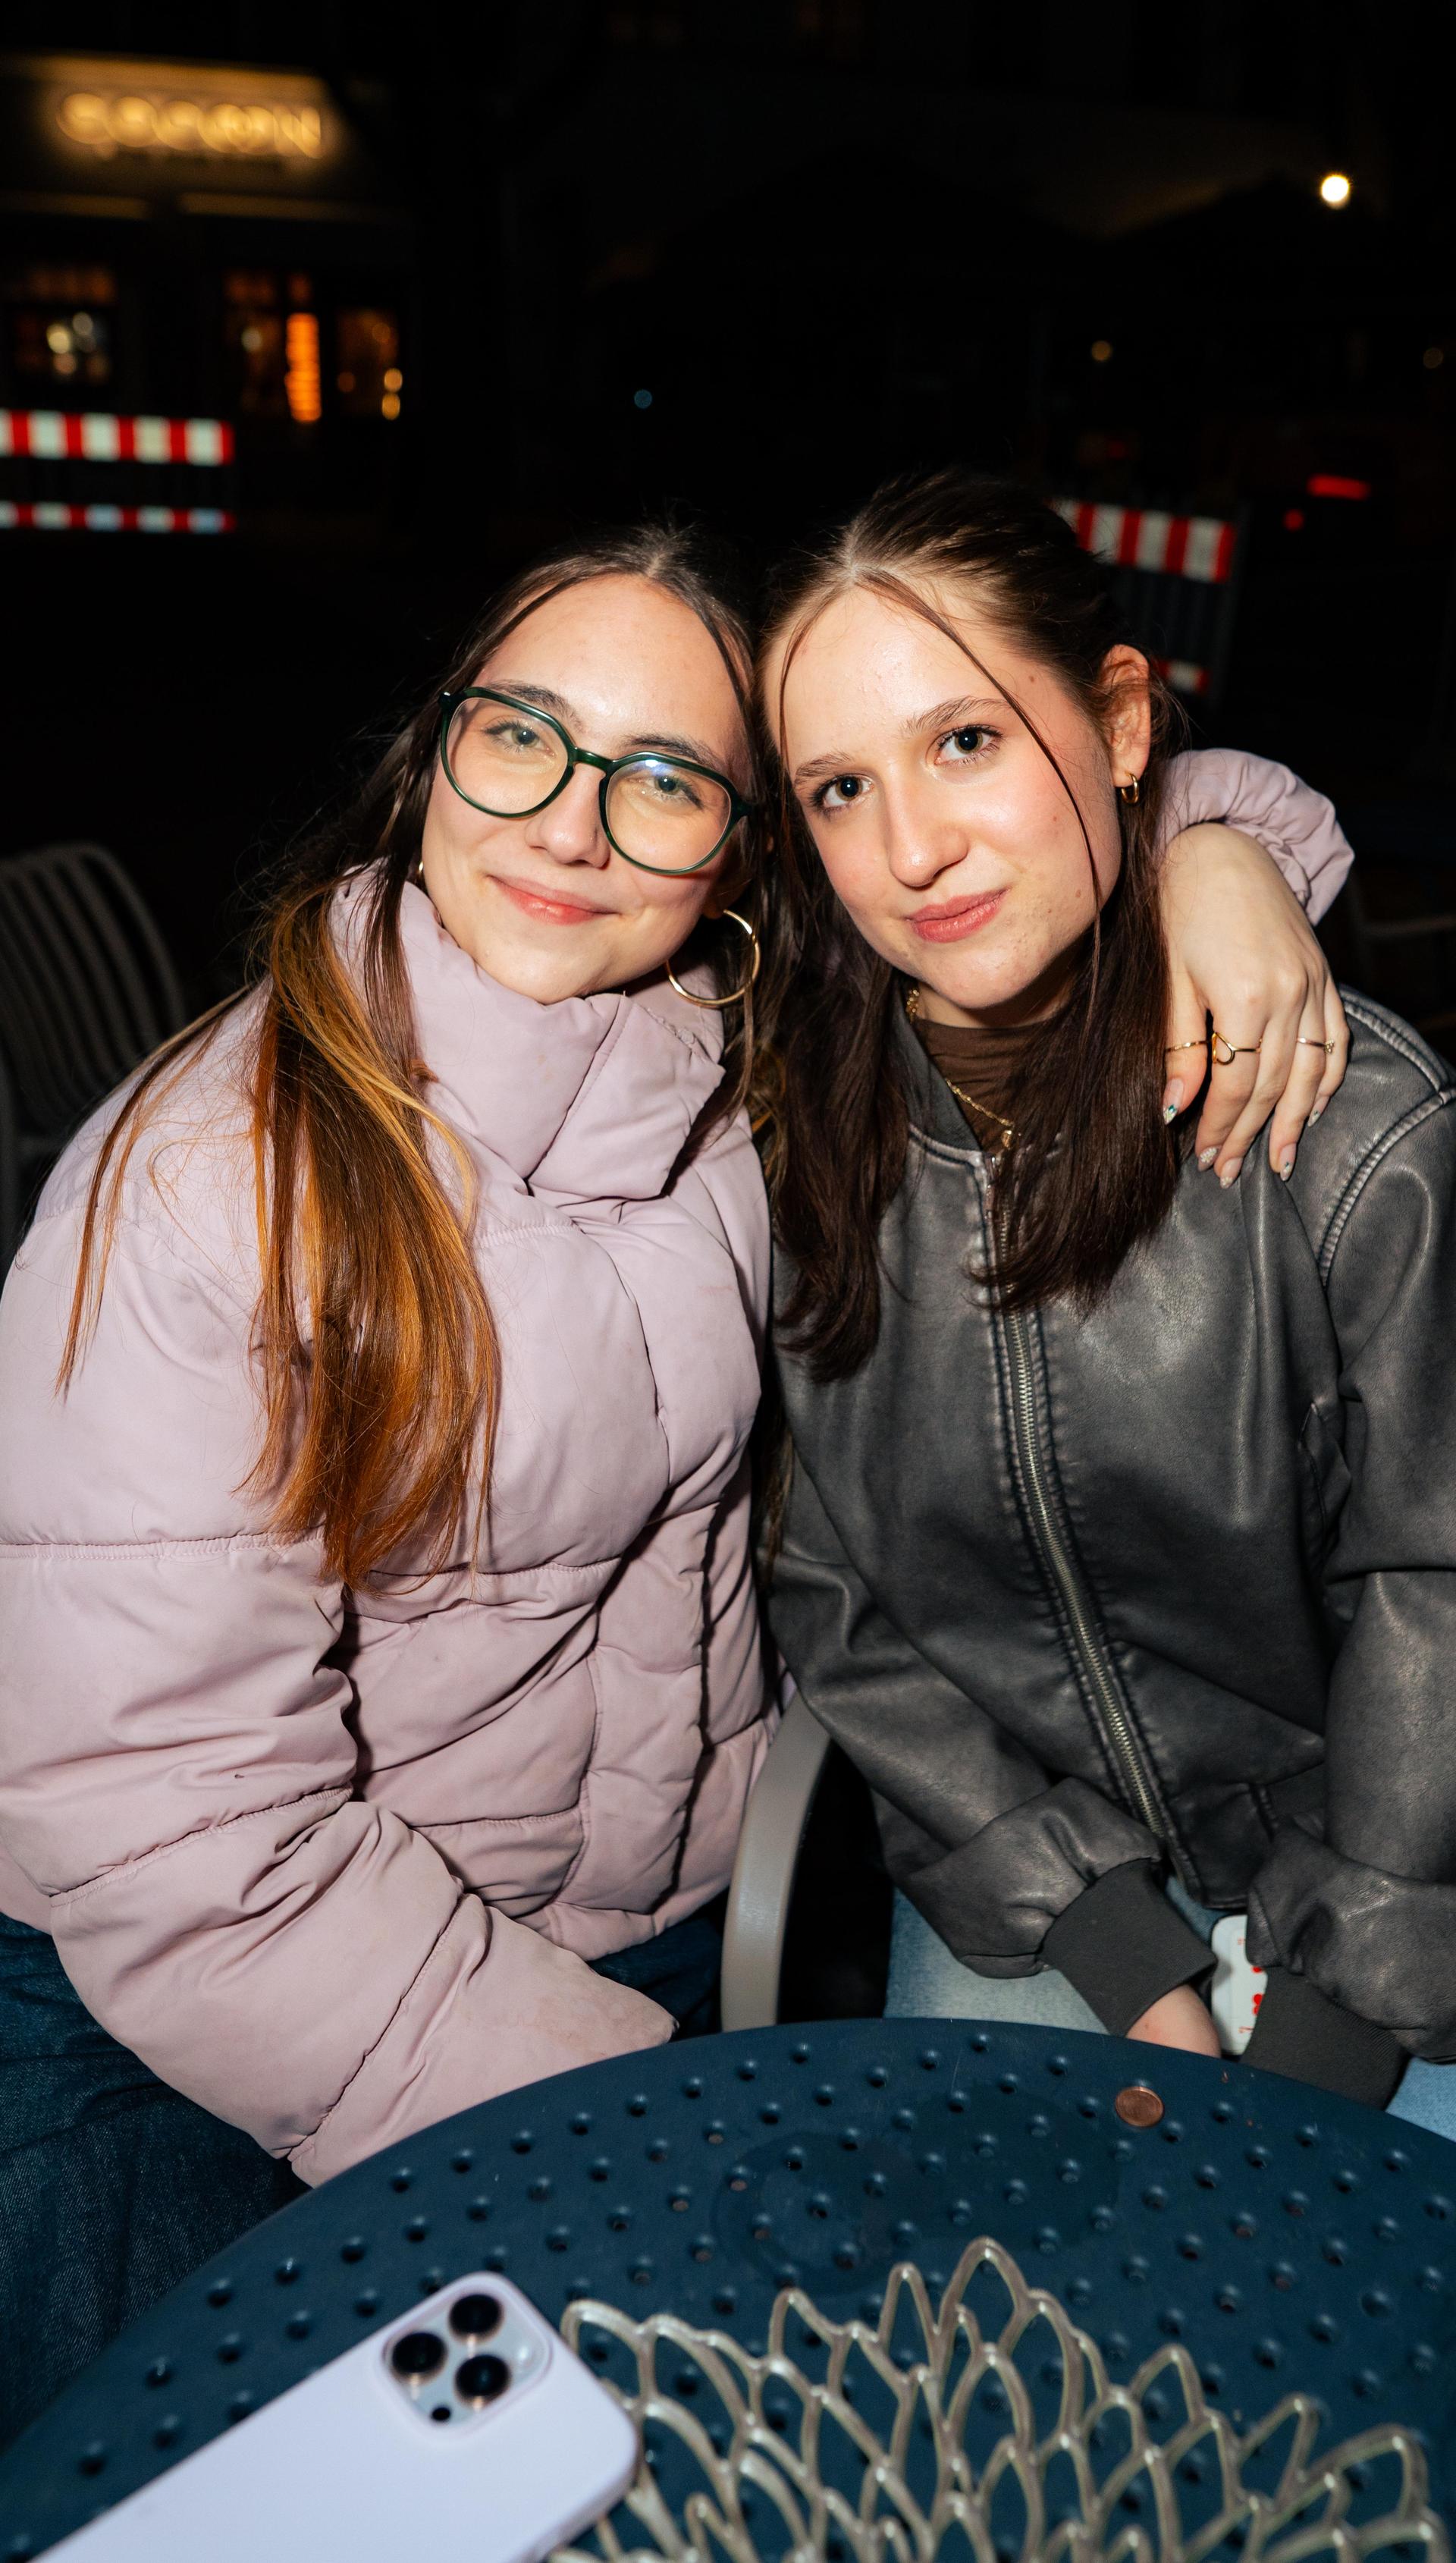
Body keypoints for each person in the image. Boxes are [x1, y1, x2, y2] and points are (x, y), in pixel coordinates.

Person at [0, 516, 1348, 2439]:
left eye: (659, 780)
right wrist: (627, 2105)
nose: (568, 824)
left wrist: (1230, 860)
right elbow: (176, 1825)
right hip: (191, 1997)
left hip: (655, 1928)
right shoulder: (213, 1182)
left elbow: (1036, 805)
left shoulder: (743, 1058)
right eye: (520, 736)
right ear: (431, 752)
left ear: (739, 854)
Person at [762, 469, 1455, 2134]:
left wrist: (1331, 2029)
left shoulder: (1354, 1129)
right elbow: (832, 1597)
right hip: (1030, 1888)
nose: (911, 847)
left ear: (1122, 722)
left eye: (968, 741)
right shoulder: (805, 1156)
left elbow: (1434, 1586)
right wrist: (1112, 1944)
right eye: (841, 787)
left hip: (1391, 1903)